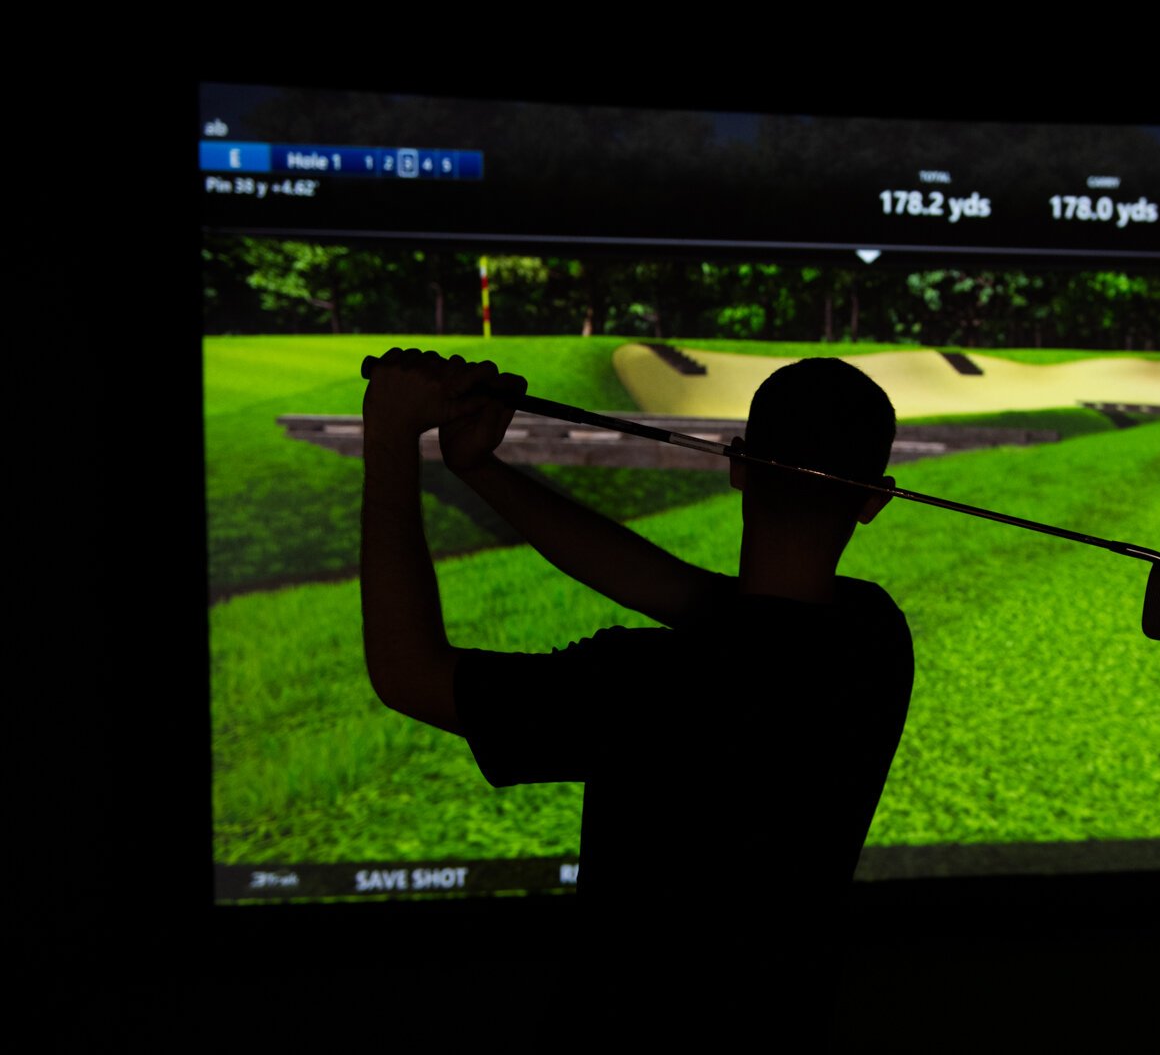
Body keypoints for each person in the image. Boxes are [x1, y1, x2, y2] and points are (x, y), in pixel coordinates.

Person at [360, 347, 914, 1019]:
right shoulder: (873, 635)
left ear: (738, 464)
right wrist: (478, 470)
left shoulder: (648, 684)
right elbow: (672, 588)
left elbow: (409, 674)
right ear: (875, 501)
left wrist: (390, 440)